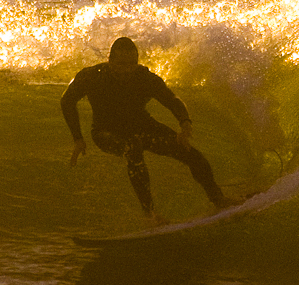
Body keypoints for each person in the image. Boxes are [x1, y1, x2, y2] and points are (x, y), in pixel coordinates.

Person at [61, 36, 232, 218]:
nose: (126, 70)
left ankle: (218, 199)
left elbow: (172, 100)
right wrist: (78, 138)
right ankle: (150, 215)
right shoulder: (92, 76)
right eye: (121, 64)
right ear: (109, 61)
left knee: (190, 153)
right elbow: (67, 100)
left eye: (131, 64)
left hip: (142, 126)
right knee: (132, 147)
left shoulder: (144, 78)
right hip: (105, 132)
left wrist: (185, 122)